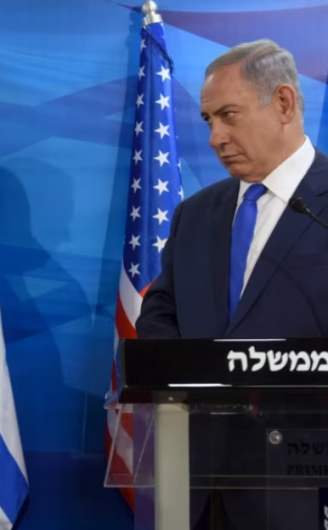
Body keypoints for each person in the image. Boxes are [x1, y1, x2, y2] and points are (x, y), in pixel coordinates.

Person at [137, 40, 328, 529]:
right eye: (208, 120)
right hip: (193, 483)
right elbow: (160, 311)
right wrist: (190, 377)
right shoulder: (195, 214)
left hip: (299, 484)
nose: (215, 138)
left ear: (283, 103)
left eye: (228, 116)